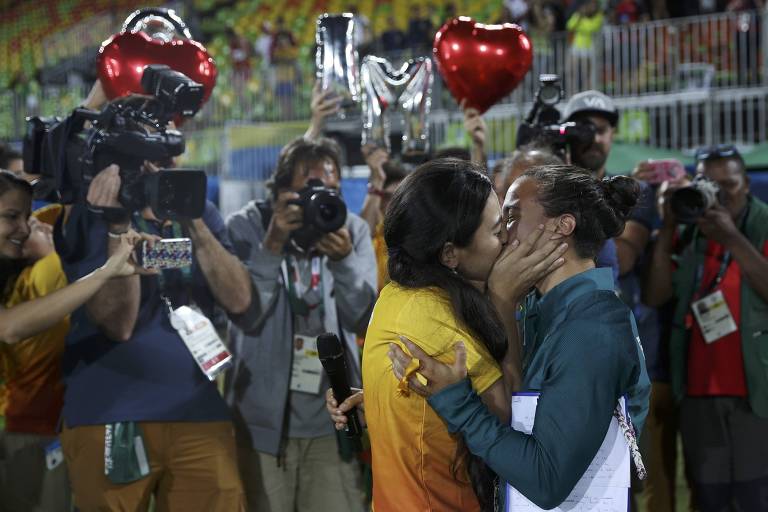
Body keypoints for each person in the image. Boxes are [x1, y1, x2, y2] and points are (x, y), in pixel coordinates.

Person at [389, 166, 650, 509]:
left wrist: (459, 404)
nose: (503, 235)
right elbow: (514, 412)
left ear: (563, 227)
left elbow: (545, 481)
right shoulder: (538, 308)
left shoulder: (593, 329)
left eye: (512, 216)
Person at [362, 158, 568, 512]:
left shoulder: (400, 293)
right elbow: (511, 418)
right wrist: (503, 301)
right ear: (449, 254)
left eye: (504, 221)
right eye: (494, 231)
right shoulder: (433, 318)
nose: (506, 238)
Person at [54, 151, 252, 509]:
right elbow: (118, 325)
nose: (162, 167)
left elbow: (239, 300)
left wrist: (191, 217)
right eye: (149, 156)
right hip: (112, 416)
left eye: (168, 154)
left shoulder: (200, 211)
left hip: (198, 411)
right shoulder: (94, 211)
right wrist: (116, 225)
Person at [225, 136, 376, 512]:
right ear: (279, 191)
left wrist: (343, 262)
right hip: (261, 425)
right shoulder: (246, 226)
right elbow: (245, 313)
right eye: (309, 190)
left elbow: (361, 319)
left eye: (331, 190)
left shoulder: (349, 230)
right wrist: (272, 244)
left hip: (331, 423)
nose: (320, 201)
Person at [0, 171, 150, 512]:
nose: (25, 229)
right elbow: (8, 328)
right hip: (27, 425)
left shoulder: (16, 270)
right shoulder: (41, 272)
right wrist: (106, 271)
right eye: (12, 217)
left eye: (28, 217)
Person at [644, 144, 768, 512]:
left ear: (746, 184)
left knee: (754, 498)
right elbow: (654, 295)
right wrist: (667, 226)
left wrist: (732, 238)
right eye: (707, 184)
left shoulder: (761, 224)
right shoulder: (689, 229)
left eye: (728, 184)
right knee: (708, 498)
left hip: (753, 391)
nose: (718, 194)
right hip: (697, 390)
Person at [358, 145, 408, 291]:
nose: (394, 205)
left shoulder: (415, 238)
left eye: (401, 197)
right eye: (387, 197)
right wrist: (377, 181)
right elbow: (365, 233)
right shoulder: (371, 240)